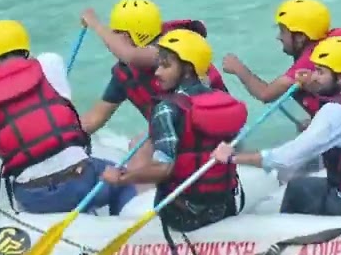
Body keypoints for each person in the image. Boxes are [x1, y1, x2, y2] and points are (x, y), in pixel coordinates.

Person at [0, 20, 136, 216]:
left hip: (34, 197)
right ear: (26, 51)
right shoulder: (50, 64)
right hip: (80, 180)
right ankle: (128, 237)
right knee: (123, 181)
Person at [211, 36, 341, 216]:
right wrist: (313, 84)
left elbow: (286, 158)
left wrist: (233, 157)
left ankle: (291, 250)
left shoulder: (337, 112)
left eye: (320, 71)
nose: (314, 76)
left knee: (297, 189)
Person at [101, 29, 249, 234]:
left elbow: (164, 170)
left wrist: (122, 177)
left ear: (187, 69)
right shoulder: (223, 100)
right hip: (226, 207)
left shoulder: (166, 108)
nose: (157, 72)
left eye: (166, 65)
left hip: (184, 216)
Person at [78, 0, 228, 170]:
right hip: (178, 135)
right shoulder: (126, 73)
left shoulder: (176, 51)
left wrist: (95, 24)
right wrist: (57, 137)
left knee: (143, 149)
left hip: (212, 134)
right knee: (137, 146)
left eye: (115, 33)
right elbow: (94, 119)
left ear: (127, 36)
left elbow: (132, 56)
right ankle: (148, 194)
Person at [220, 0, 341, 121]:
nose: (279, 37)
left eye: (283, 32)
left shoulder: (314, 59)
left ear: (299, 37)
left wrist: (238, 69)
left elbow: (266, 94)